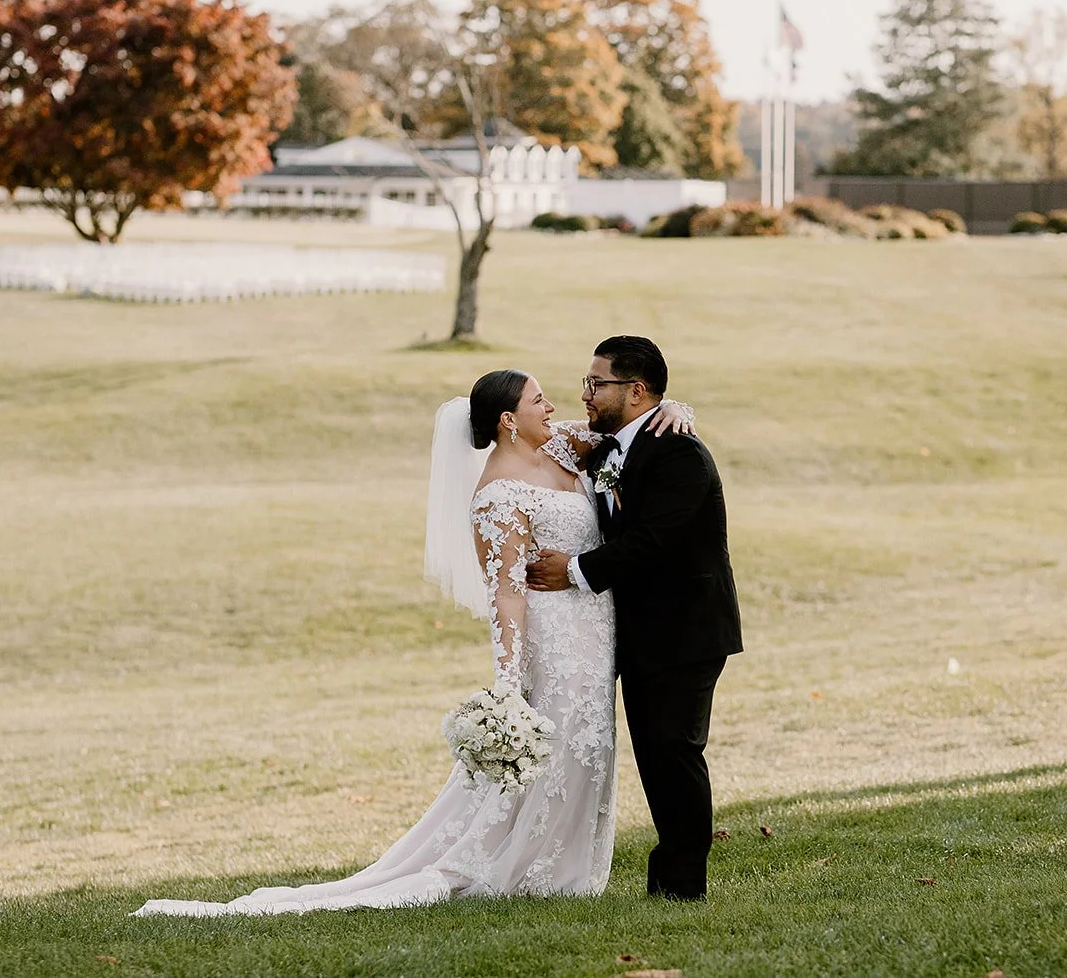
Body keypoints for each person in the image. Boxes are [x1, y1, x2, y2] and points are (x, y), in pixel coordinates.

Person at [132, 369, 694, 916]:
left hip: (596, 630)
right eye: (539, 401)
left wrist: (676, 408)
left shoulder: (565, 448)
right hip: (554, 637)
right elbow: (506, 594)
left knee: (588, 748)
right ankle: (533, 871)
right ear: (507, 420)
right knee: (559, 746)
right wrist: (508, 678)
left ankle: (568, 867)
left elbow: (633, 428)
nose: (553, 408)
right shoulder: (496, 497)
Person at [527, 335, 742, 901]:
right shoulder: (606, 448)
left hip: (685, 631)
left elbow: (655, 541)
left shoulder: (679, 452)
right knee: (654, 754)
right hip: (639, 633)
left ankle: (682, 884)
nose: (586, 394)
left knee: (675, 751)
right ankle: (668, 877)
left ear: (637, 390)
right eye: (587, 383)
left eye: (597, 384)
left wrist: (574, 570)